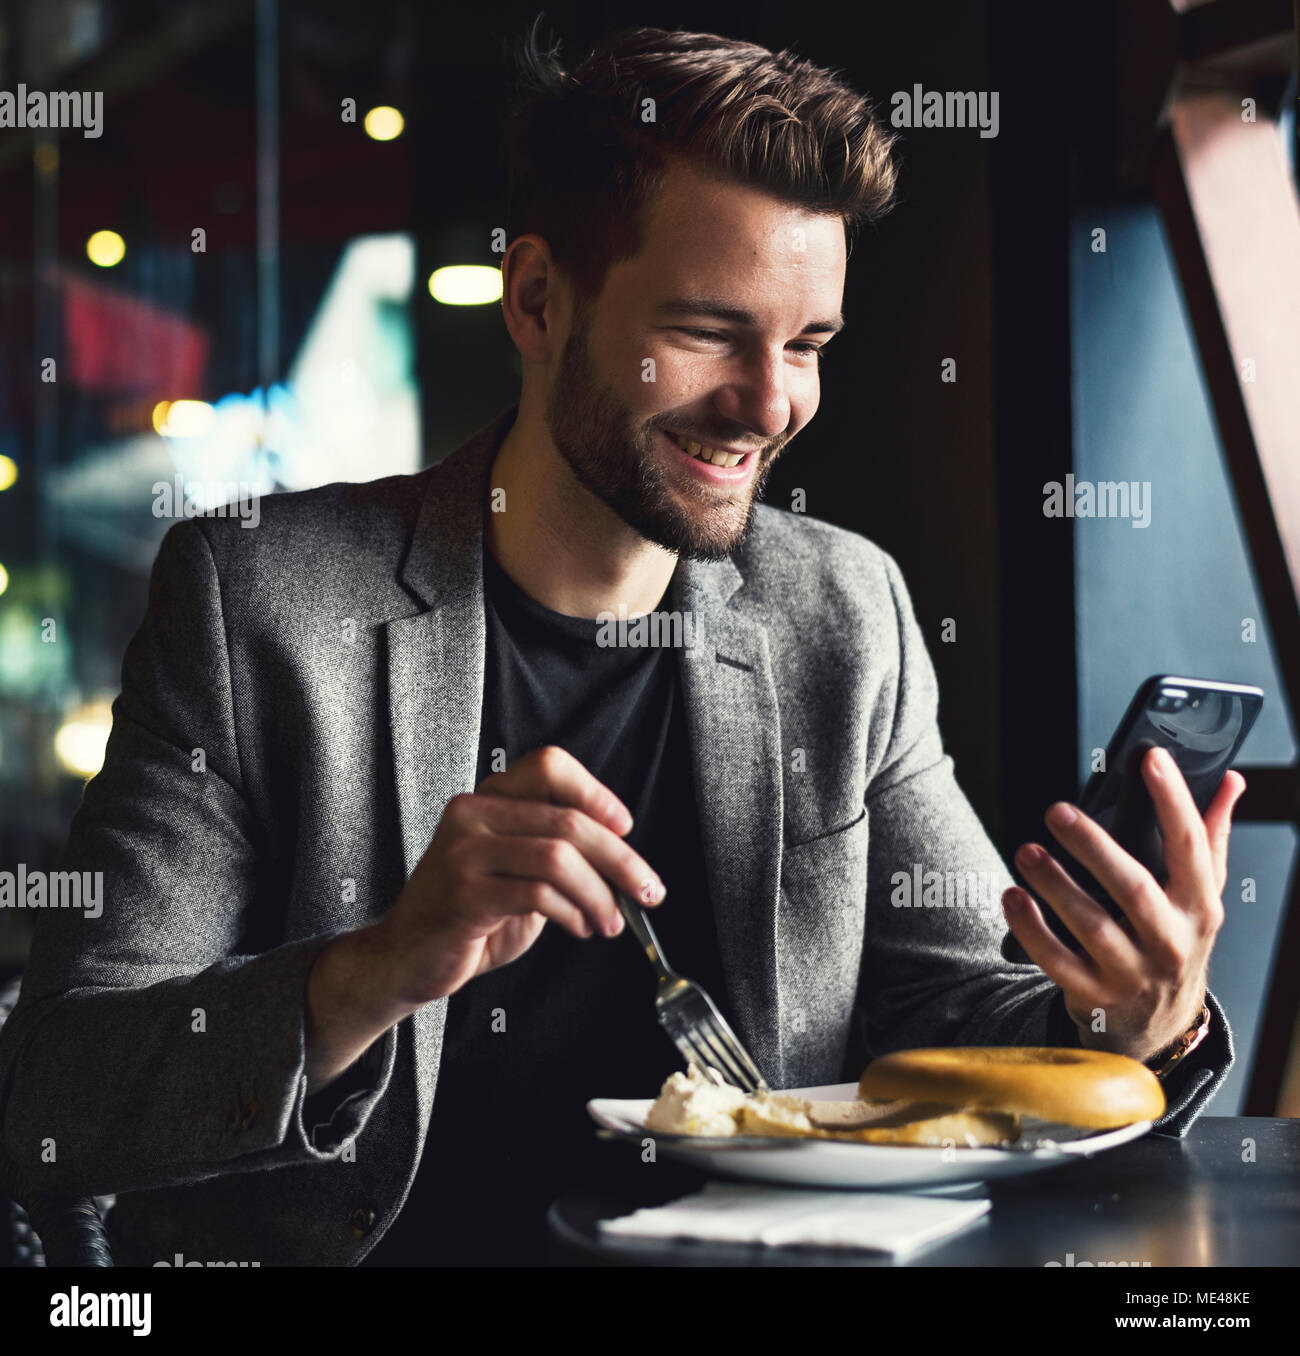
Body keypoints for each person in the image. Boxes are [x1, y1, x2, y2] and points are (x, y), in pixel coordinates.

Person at [0, 22, 1239, 1268]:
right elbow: (53, 1089)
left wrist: (1134, 1018)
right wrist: (376, 969)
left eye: (806, 346)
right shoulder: (258, 603)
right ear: (538, 300)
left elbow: (969, 1016)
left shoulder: (843, 614)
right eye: (708, 330)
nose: (768, 405)